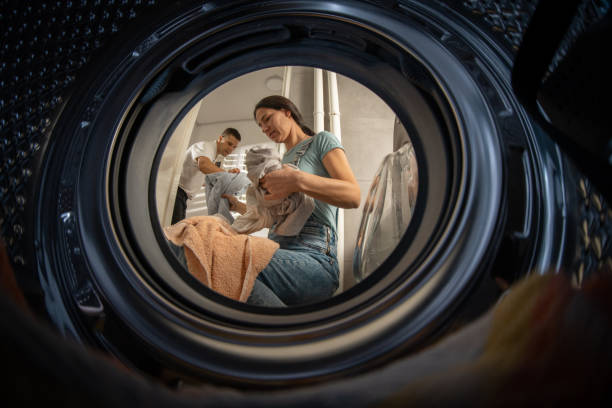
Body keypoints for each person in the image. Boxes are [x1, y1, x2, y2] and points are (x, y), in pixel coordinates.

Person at [223, 95, 360, 306]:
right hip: (277, 250)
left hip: (314, 256)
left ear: (287, 111)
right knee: (215, 261)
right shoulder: (279, 161)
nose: (264, 129)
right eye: (260, 126)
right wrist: (240, 206)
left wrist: (298, 179)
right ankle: (287, 333)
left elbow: (353, 196)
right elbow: (272, 214)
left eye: (267, 119)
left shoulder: (320, 141)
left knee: (228, 259)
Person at [171, 127, 242, 225]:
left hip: (182, 197)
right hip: (177, 193)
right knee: (177, 234)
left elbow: (206, 180)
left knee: (178, 232)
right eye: (229, 144)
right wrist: (227, 175)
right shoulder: (205, 147)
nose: (231, 149)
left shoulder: (213, 157)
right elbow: (203, 165)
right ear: (221, 138)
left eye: (234, 147)